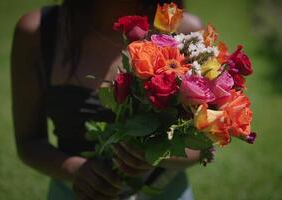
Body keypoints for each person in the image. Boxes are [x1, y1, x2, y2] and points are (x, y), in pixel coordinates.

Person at [11, 0, 203, 199]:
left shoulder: (184, 30)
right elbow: (29, 142)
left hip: (165, 192)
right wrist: (75, 170)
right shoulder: (38, 30)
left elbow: (202, 144)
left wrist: (157, 153)